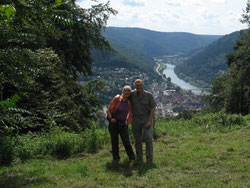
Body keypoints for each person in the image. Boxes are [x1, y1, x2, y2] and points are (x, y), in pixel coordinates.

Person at [114, 79, 156, 163]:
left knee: (148, 138)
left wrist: (150, 121)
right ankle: (139, 159)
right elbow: (124, 95)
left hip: (146, 119)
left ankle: (149, 160)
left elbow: (152, 108)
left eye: (140, 85)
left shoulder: (149, 95)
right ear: (135, 87)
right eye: (137, 86)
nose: (139, 87)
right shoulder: (132, 94)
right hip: (136, 120)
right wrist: (118, 96)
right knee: (138, 141)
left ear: (143, 86)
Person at [107, 85, 135, 162]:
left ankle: (132, 157)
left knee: (126, 141)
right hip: (114, 123)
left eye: (128, 91)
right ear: (122, 91)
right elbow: (108, 110)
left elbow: (135, 91)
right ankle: (116, 158)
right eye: (125, 91)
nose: (127, 92)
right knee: (114, 141)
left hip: (123, 123)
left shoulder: (129, 102)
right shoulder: (117, 99)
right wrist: (111, 118)